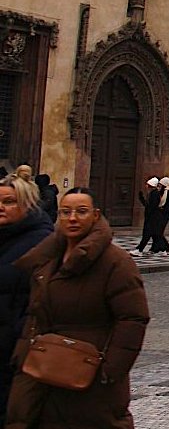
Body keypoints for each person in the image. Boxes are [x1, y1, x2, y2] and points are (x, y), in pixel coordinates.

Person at [7, 187, 149, 428]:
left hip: (89, 371)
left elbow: (133, 318)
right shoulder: (47, 257)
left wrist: (110, 370)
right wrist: (22, 353)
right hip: (41, 368)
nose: (72, 218)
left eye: (81, 212)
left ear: (95, 216)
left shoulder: (116, 262)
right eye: (65, 212)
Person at [0, 171, 53, 417]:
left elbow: (44, 301)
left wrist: (19, 338)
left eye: (9, 202)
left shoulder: (41, 242)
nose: (1, 207)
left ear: (27, 203)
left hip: (14, 353)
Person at [133, 177, 159, 256]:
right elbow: (147, 205)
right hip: (150, 217)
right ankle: (160, 249)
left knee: (147, 235)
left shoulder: (154, 194)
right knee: (154, 235)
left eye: (147, 185)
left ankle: (140, 250)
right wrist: (142, 199)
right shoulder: (151, 194)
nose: (146, 186)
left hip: (151, 218)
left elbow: (151, 206)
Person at [150, 176, 169, 255]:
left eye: (160, 185)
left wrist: (163, 209)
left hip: (164, 215)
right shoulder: (160, 191)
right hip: (159, 214)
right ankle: (163, 247)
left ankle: (162, 248)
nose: (159, 186)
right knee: (157, 232)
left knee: (158, 232)